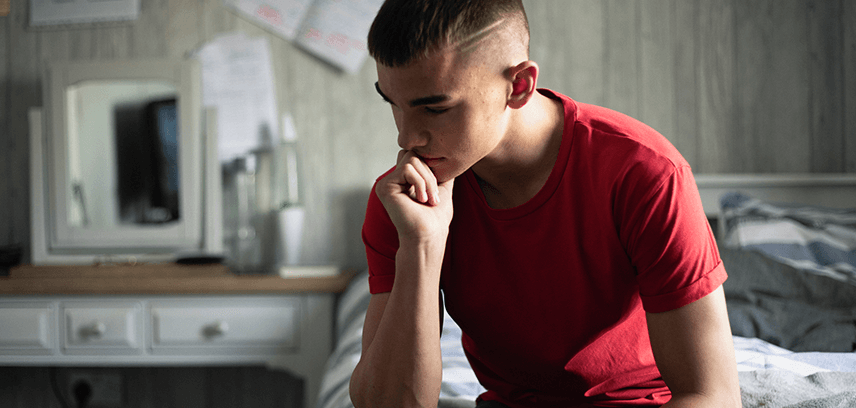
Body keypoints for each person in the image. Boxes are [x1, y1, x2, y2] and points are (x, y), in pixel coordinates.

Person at [349, 1, 742, 407]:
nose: (407, 138)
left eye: (435, 108)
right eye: (393, 103)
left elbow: (712, 395)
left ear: (518, 86)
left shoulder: (644, 174)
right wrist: (421, 246)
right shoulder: (404, 204)